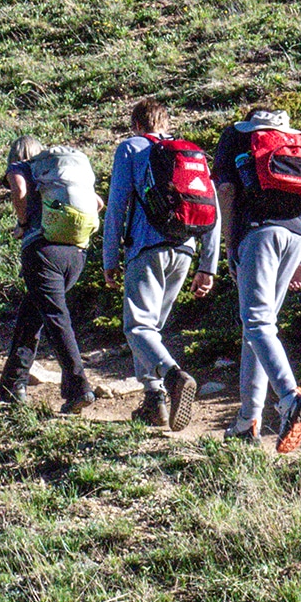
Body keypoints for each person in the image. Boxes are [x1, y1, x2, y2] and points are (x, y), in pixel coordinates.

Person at [213, 105, 301, 453]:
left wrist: (229, 245)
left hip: (258, 233)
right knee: (259, 327)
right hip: (297, 238)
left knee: (256, 323)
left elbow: (226, 192)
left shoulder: (236, 137)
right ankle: (247, 422)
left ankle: (289, 398)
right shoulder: (298, 143)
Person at [101, 98, 218, 430]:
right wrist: (208, 265)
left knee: (137, 327)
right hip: (185, 249)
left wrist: (110, 257)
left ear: (137, 125)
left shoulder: (131, 148)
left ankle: (172, 376)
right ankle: (154, 403)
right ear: (166, 124)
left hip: (146, 247)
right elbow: (212, 208)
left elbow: (117, 205)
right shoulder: (190, 153)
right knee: (150, 330)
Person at [0, 136, 98, 413]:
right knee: (31, 315)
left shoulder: (21, 167)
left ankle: (79, 387)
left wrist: (23, 222)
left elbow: (18, 188)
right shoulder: (56, 175)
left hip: (42, 253)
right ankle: (12, 384)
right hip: (75, 255)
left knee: (55, 318)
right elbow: (98, 203)